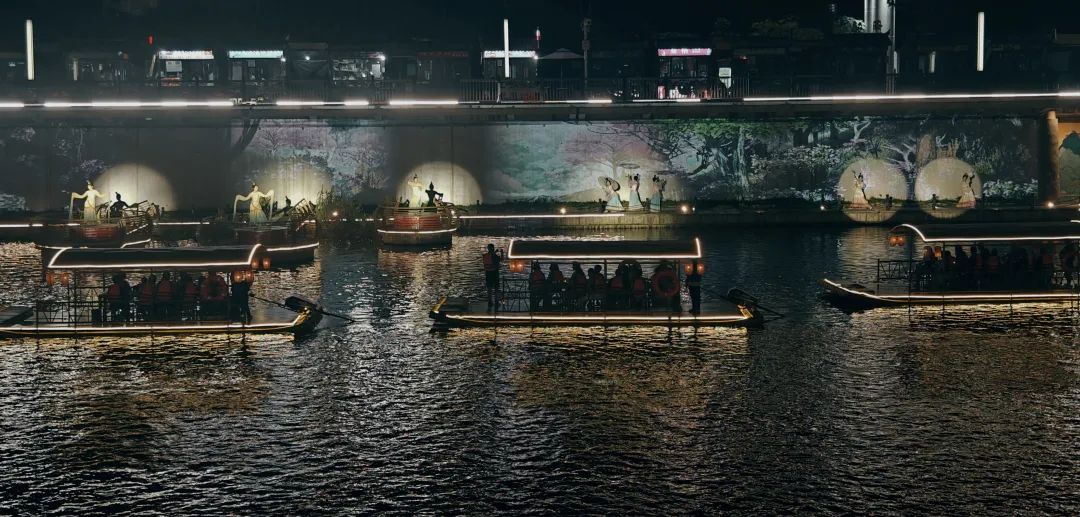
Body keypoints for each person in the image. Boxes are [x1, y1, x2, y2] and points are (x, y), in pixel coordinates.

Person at [481, 243, 503, 309]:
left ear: (488, 248)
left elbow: (489, 258)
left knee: (489, 288)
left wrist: (494, 252)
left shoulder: (485, 255)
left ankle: (490, 301)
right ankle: (496, 301)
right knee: (496, 288)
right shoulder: (494, 256)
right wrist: (502, 253)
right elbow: (501, 260)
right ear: (493, 248)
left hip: (488, 273)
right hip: (494, 273)